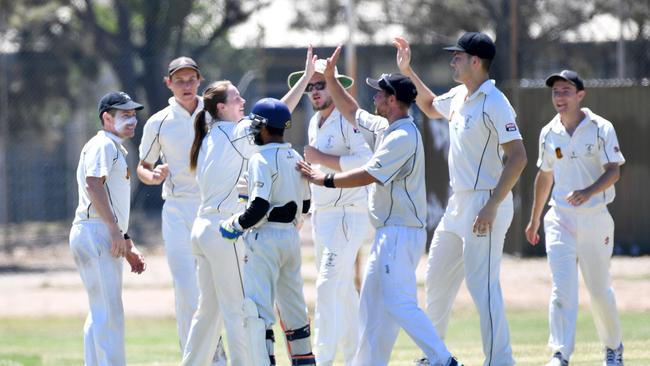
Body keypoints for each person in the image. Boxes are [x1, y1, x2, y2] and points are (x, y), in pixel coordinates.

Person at [297, 46, 461, 366]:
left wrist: (325, 180)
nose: (375, 99)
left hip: (400, 233)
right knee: (371, 307)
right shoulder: (387, 128)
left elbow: (369, 174)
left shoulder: (402, 137)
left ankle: (443, 360)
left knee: (398, 303)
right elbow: (351, 111)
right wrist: (330, 79)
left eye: (380, 95)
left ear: (393, 101)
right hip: (388, 232)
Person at [393, 33, 527, 366]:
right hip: (458, 205)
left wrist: (492, 205)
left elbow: (519, 157)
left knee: (482, 287)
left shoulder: (495, 102)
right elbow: (426, 105)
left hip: (486, 202)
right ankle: (434, 357)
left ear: (476, 62)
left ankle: (500, 361)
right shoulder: (457, 96)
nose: (452, 61)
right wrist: (408, 71)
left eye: (458, 56)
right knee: (437, 278)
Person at [525, 70, 625, 366]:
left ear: (581, 95)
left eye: (566, 91)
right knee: (561, 289)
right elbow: (544, 176)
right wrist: (534, 219)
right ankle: (560, 353)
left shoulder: (600, 127)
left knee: (598, 289)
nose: (560, 97)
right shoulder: (549, 132)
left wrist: (589, 192)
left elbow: (614, 170)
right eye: (556, 92)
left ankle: (613, 348)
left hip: (595, 217)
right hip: (560, 219)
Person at [282, 46, 373, 366]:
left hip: (350, 214)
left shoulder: (350, 119)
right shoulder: (315, 121)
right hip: (325, 216)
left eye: (322, 84)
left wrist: (322, 160)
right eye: (311, 86)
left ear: (337, 85)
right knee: (344, 291)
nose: (315, 91)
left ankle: (318, 360)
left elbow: (368, 161)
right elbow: (316, 174)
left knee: (326, 285)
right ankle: (356, 359)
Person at [137, 56, 227, 364]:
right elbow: (142, 167)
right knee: (188, 289)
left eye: (191, 80)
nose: (186, 86)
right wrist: (154, 176)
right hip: (177, 211)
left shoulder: (217, 113)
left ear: (200, 80)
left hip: (215, 208)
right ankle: (200, 357)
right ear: (168, 83)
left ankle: (219, 352)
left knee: (219, 286)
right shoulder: (158, 121)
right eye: (179, 80)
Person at [220, 98, 316, 366]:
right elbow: (305, 204)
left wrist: (235, 224)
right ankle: (305, 361)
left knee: (256, 310)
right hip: (290, 239)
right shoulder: (295, 155)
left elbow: (259, 207)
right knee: (294, 307)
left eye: (254, 124)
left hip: (264, 240)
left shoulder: (259, 158)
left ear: (262, 127)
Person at [181, 80, 256, 366]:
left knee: (208, 312)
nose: (243, 101)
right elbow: (279, 112)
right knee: (237, 309)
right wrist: (303, 79)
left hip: (202, 229)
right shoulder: (236, 132)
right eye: (236, 98)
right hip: (223, 230)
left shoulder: (209, 135)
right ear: (221, 107)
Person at [69, 91, 147, 366]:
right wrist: (114, 230)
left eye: (133, 114)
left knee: (100, 310)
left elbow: (107, 195)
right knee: (109, 313)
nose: (132, 120)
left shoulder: (111, 146)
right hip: (96, 230)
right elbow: (93, 185)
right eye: (125, 115)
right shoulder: (104, 144)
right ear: (106, 117)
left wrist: (125, 241)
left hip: (96, 230)